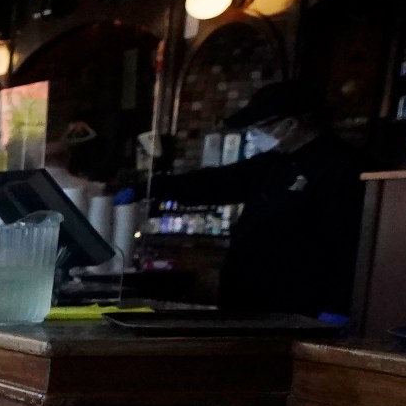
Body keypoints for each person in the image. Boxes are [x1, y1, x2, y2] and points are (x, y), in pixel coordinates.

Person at [148, 80, 363, 317]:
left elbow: (347, 242)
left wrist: (336, 305)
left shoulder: (342, 166)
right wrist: (149, 187)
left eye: (259, 128)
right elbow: (216, 183)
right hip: (248, 296)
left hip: (298, 302)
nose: (253, 136)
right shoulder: (273, 163)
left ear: (290, 124)